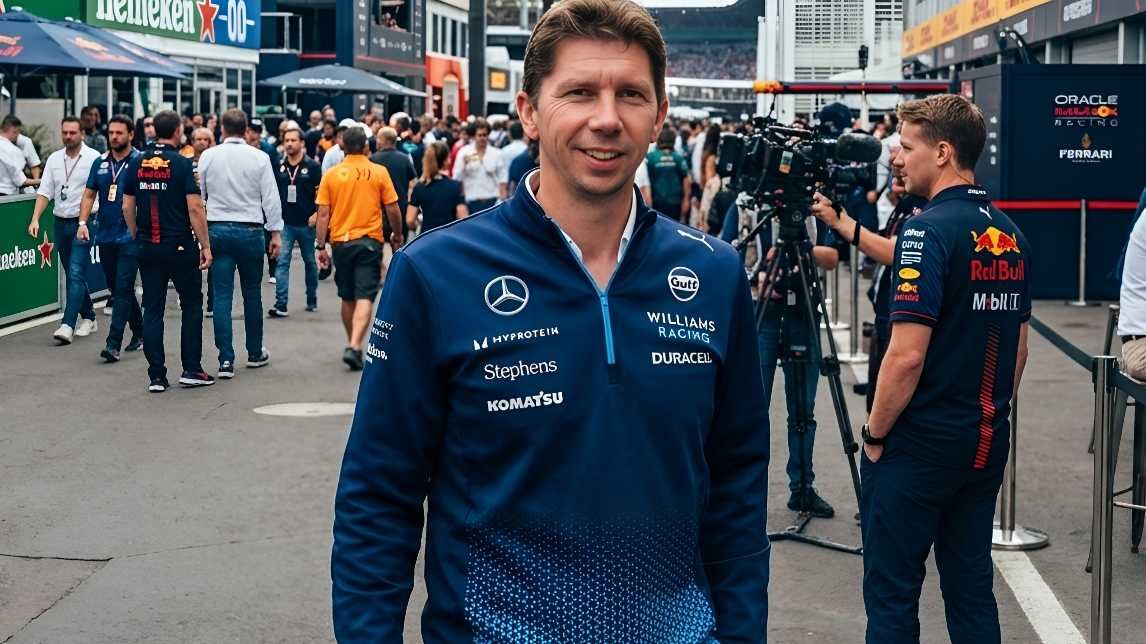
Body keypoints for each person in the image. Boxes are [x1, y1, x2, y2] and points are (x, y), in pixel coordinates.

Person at [330, 0, 769, 640]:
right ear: (531, 112)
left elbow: (737, 486)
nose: (607, 118)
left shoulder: (716, 273)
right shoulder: (434, 273)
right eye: (580, 93)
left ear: (659, 115)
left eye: (631, 95)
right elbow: (379, 497)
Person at [861, 94, 1030, 644]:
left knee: (891, 596)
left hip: (919, 445)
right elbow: (1018, 351)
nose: (898, 159)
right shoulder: (1011, 235)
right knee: (971, 587)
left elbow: (906, 354)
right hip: (984, 439)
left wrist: (874, 434)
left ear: (941, 152)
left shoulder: (924, 231)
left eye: (906, 148)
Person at [813, 145, 927, 410]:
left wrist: (839, 221)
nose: (896, 160)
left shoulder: (929, 210)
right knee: (875, 400)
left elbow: (892, 252)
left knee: (886, 408)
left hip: (900, 317)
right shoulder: (908, 202)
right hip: (885, 312)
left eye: (907, 149)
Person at [121, 110, 215, 392]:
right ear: (176, 132)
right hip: (180, 246)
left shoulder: (136, 162)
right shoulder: (182, 164)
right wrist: (206, 245)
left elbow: (127, 206)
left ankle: (156, 376)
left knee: (153, 309)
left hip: (148, 247)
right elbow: (195, 207)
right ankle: (191, 368)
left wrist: (138, 234)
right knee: (191, 306)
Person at [197, 108, 283, 379]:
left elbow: (199, 197)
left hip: (218, 228)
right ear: (246, 130)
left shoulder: (208, 156)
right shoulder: (259, 157)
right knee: (252, 294)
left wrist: (200, 235)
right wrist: (276, 232)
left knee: (221, 295)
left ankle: (225, 360)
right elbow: (270, 196)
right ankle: (255, 351)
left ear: (222, 128)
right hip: (250, 230)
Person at [314, 126, 402, 370]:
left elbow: (323, 214)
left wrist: (321, 245)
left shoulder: (331, 175)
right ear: (366, 146)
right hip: (369, 240)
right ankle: (354, 346)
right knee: (365, 295)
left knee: (348, 295)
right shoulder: (378, 172)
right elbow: (392, 207)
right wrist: (397, 233)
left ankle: (353, 343)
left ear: (343, 146)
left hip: (341, 241)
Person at [27, 116, 102, 344]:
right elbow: (45, 191)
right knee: (72, 273)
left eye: (73, 132)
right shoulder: (54, 159)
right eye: (65, 133)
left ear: (82, 134)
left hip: (84, 223)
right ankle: (89, 316)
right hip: (60, 222)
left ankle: (67, 324)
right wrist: (35, 219)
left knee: (77, 271)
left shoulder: (94, 158)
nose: (68, 136)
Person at [78, 114, 144, 362]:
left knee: (123, 288)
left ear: (130, 134)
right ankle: (140, 331)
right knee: (116, 287)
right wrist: (82, 223)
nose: (114, 137)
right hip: (105, 234)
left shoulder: (140, 161)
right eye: (111, 132)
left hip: (131, 235)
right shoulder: (101, 162)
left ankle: (113, 343)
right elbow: (88, 194)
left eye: (119, 132)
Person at [270, 126, 322, 317]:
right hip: (285, 223)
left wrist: (317, 214)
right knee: (282, 262)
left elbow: (321, 195)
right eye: (287, 141)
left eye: (293, 140)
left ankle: (312, 298)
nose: (289, 144)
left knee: (310, 262)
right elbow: (273, 193)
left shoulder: (313, 167)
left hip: (307, 223)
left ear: (302, 143)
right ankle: (280, 304)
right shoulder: (279, 166)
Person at [406, 140, 466, 235]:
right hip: (449, 237)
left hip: (427, 237)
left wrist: (416, 227)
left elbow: (410, 220)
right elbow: (462, 216)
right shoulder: (455, 186)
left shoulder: (419, 187)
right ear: (446, 161)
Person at [451, 118, 508, 213]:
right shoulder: (464, 152)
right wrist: (464, 164)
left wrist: (502, 201)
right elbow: (456, 178)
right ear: (473, 136)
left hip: (493, 202)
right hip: (471, 202)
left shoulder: (497, 153)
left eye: (485, 135)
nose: (482, 138)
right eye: (479, 135)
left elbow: (503, 179)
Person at [369, 126, 417, 239]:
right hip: (401, 210)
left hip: (379, 213)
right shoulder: (405, 159)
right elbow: (413, 184)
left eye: (378, 138)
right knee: (399, 244)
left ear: (383, 140)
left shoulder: (373, 160)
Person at [645, 127, 690, 222]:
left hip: (656, 201)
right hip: (675, 202)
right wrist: (686, 199)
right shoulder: (678, 157)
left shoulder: (651, 157)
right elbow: (686, 179)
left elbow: (645, 181)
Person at [0, 116, 35, 196]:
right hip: (6, 197)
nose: (18, 136)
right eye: (18, 132)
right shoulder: (13, 150)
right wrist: (41, 181)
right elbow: (21, 180)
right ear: (14, 131)